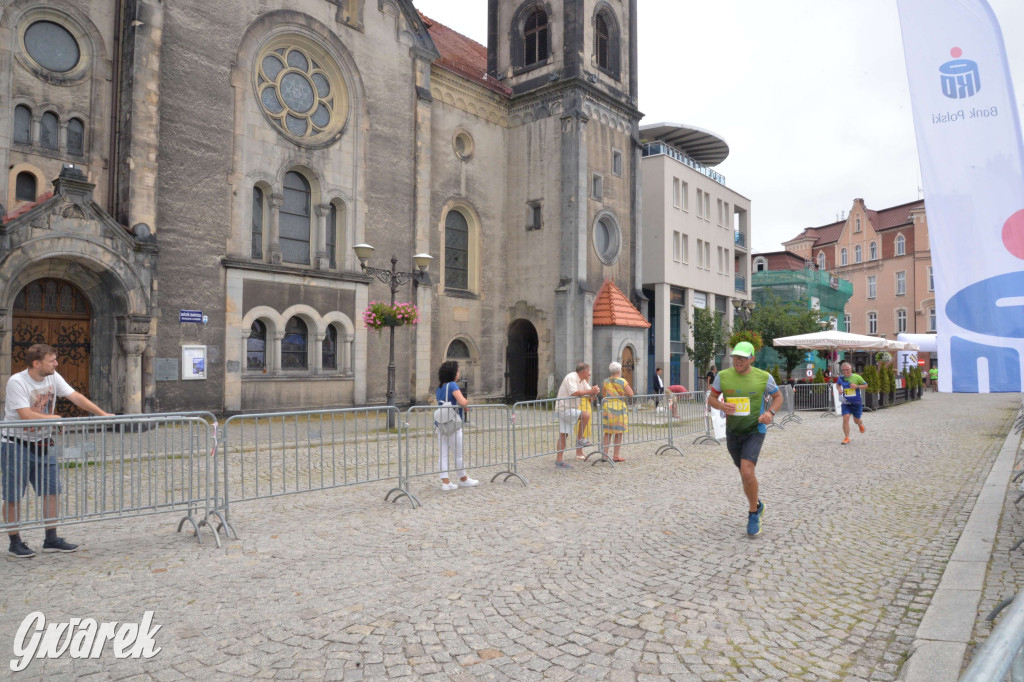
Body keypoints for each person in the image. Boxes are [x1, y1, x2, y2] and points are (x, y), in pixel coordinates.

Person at [2, 343, 111, 558]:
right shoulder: (17, 382)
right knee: (14, 496)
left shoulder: (53, 377)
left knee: (52, 491)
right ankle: (15, 542)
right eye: (52, 360)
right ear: (36, 363)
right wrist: (54, 418)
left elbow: (75, 396)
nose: (56, 363)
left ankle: (51, 539)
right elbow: (25, 414)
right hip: (15, 444)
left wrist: (102, 414)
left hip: (43, 443)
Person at [706, 341, 783, 537]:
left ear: (752, 359)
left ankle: (752, 514)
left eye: (742, 357)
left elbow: (778, 397)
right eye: (735, 357)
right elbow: (711, 398)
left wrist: (770, 413)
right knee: (743, 472)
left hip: (755, 429)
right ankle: (757, 504)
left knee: (747, 471)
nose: (738, 361)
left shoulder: (764, 377)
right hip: (733, 432)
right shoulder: (723, 376)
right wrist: (722, 406)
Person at [434, 360, 478, 491]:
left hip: (441, 424)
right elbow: (463, 401)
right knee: (457, 453)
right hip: (452, 424)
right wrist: (466, 403)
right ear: (453, 373)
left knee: (443, 453)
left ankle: (445, 481)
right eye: (457, 371)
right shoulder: (453, 385)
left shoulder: (440, 387)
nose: (458, 373)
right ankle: (463, 478)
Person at [555, 362, 601, 467]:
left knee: (563, 435)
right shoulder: (571, 377)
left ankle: (559, 461)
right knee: (585, 415)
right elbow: (574, 392)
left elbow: (589, 395)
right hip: (564, 408)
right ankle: (580, 440)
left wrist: (594, 392)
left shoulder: (583, 381)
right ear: (583, 371)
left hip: (569, 409)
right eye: (589, 373)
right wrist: (590, 391)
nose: (589, 375)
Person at [602, 362, 635, 463]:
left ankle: (605, 455)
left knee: (608, 432)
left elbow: (604, 394)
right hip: (619, 407)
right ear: (619, 371)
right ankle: (615, 456)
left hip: (608, 407)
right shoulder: (622, 381)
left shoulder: (606, 381)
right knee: (618, 432)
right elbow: (631, 394)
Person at [836, 362, 867, 445]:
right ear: (842, 370)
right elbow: (838, 385)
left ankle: (860, 424)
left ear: (851, 369)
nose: (846, 372)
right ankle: (846, 437)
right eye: (844, 370)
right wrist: (839, 389)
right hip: (846, 402)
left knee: (856, 420)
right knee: (845, 418)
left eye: (847, 370)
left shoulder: (857, 377)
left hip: (856, 402)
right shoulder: (841, 378)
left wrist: (857, 387)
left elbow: (866, 385)